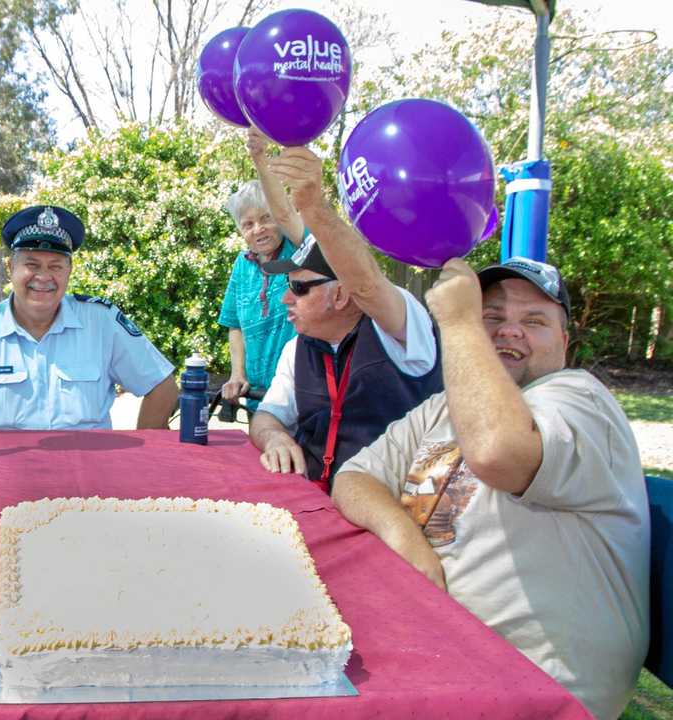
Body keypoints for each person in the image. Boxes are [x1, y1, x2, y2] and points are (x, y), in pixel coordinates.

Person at [332, 257, 648, 719]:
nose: (509, 331)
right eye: (492, 317)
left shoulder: (580, 398)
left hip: (530, 689)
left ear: (564, 342)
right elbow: (354, 478)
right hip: (439, 656)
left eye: (534, 321)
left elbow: (497, 453)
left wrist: (460, 320)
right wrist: (404, 537)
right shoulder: (447, 405)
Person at [0, 205, 178, 454]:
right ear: (11, 267)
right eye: (31, 265)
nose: (43, 277)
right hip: (0, 472)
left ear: (69, 271)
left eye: (55, 266)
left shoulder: (102, 322)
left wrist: (144, 452)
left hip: (90, 474)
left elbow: (161, 384)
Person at [248, 147, 443, 494]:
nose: (285, 298)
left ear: (340, 294)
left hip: (394, 517)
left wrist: (314, 207)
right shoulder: (297, 349)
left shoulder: (396, 330)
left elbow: (367, 283)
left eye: (298, 287)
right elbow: (267, 416)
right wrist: (275, 438)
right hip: (317, 507)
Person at [218, 126, 303, 416]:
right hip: (258, 399)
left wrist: (260, 159)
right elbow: (234, 325)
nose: (259, 229)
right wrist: (237, 374)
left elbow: (287, 213)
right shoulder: (242, 265)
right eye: (248, 224)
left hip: (300, 394)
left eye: (266, 218)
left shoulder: (298, 249)